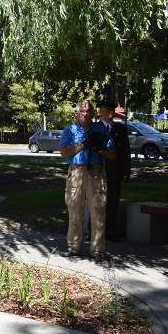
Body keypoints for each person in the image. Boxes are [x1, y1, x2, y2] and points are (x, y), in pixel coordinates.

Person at [60, 100, 116, 262]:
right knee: (74, 212)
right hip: (76, 172)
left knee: (98, 212)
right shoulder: (70, 130)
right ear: (77, 113)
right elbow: (64, 153)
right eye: (82, 111)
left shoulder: (101, 129)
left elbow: (113, 155)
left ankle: (97, 250)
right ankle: (74, 248)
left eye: (88, 111)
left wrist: (99, 148)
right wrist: (84, 144)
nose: (85, 113)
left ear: (93, 114)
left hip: (96, 173)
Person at [97, 100, 131, 240]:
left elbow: (125, 152)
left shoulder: (120, 129)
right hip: (97, 170)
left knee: (112, 202)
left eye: (112, 108)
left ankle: (110, 232)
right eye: (106, 108)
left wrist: (126, 171)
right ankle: (93, 231)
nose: (110, 111)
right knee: (96, 202)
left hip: (114, 171)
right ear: (101, 111)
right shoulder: (95, 127)